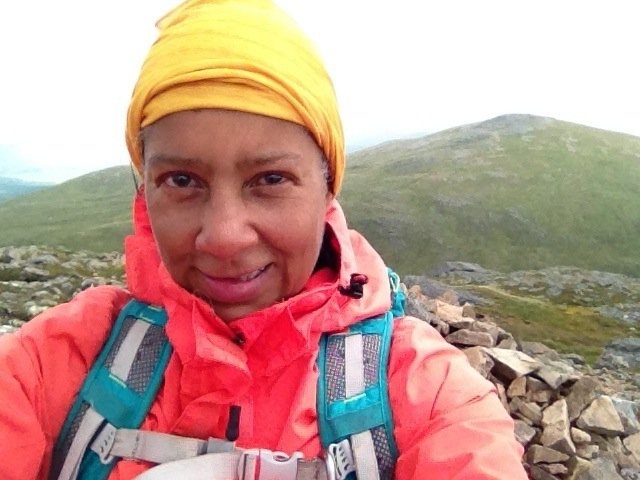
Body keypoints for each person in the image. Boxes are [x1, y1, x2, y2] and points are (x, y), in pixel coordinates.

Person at [0, 1, 528, 479]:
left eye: (271, 179)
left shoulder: (427, 397)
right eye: (182, 181)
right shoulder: (53, 364)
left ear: (327, 190)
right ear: (145, 197)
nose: (225, 237)